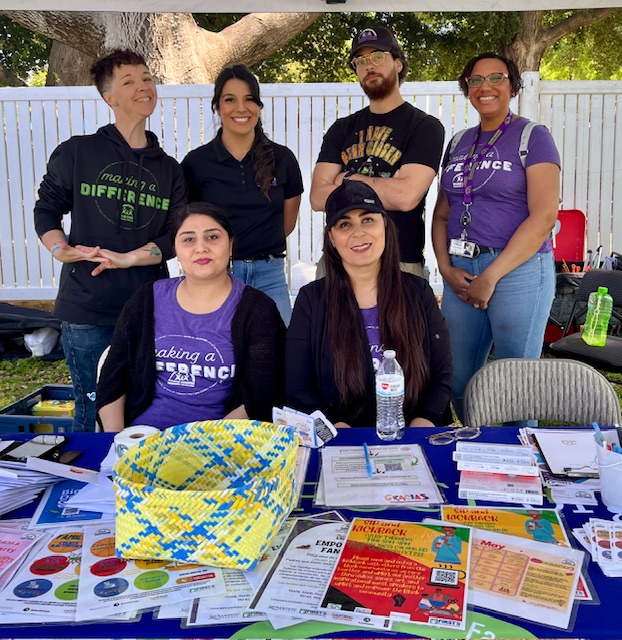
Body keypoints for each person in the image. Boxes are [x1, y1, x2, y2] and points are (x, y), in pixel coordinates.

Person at [34, 49, 187, 433]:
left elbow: (175, 237)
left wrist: (131, 258)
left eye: (147, 78)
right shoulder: (78, 152)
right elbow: (46, 211)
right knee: (92, 410)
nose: (143, 86)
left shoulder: (169, 169)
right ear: (109, 98)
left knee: (144, 405)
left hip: (147, 308)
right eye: (129, 81)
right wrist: (60, 250)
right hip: (87, 308)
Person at [431, 52, 560, 422]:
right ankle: (480, 448)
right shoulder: (457, 143)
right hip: (462, 271)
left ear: (513, 85)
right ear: (467, 88)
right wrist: (445, 267)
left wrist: (491, 276)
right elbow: (442, 214)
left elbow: (544, 217)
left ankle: (520, 464)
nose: (485, 87)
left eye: (497, 77)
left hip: (518, 270)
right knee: (458, 379)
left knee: (516, 382)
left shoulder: (533, 137)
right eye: (475, 80)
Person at [96, 202, 285, 432]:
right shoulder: (146, 300)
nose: (201, 248)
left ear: (231, 244)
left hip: (220, 441)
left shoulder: (258, 310)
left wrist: (209, 444)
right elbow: (112, 378)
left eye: (213, 237)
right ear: (175, 248)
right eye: (188, 239)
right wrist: (116, 440)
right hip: (144, 437)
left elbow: (261, 392)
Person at [286, 180, 451, 428]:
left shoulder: (419, 292)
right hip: (340, 439)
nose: (358, 233)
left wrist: (422, 424)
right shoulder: (312, 299)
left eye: (368, 220)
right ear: (331, 238)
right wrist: (336, 429)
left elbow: (442, 377)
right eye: (344, 224)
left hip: (412, 436)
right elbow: (297, 386)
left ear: (385, 225)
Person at [310, 25, 445, 278]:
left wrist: (347, 179)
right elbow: (318, 197)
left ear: (398, 63)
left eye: (378, 56)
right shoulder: (341, 128)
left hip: (400, 263)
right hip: (339, 263)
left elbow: (406, 197)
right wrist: (387, 187)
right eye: (360, 61)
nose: (368, 65)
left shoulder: (425, 127)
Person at [182, 65, 303, 325]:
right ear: (218, 107)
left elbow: (287, 222)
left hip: (270, 275)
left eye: (249, 99)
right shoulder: (196, 163)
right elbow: (187, 227)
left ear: (258, 106)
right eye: (230, 100)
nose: (241, 108)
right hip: (216, 275)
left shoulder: (282, 159)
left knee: (283, 355)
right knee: (220, 355)